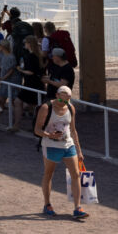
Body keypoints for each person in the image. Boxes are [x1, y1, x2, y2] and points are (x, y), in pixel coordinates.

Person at [35, 86, 87, 219]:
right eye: (61, 99)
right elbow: (37, 130)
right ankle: (47, 204)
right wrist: (49, 135)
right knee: (49, 174)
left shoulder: (70, 108)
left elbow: (73, 130)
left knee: (76, 174)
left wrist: (79, 150)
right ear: (57, 95)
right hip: (51, 145)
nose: (63, 102)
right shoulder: (46, 108)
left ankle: (77, 207)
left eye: (67, 99)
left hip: (68, 145)